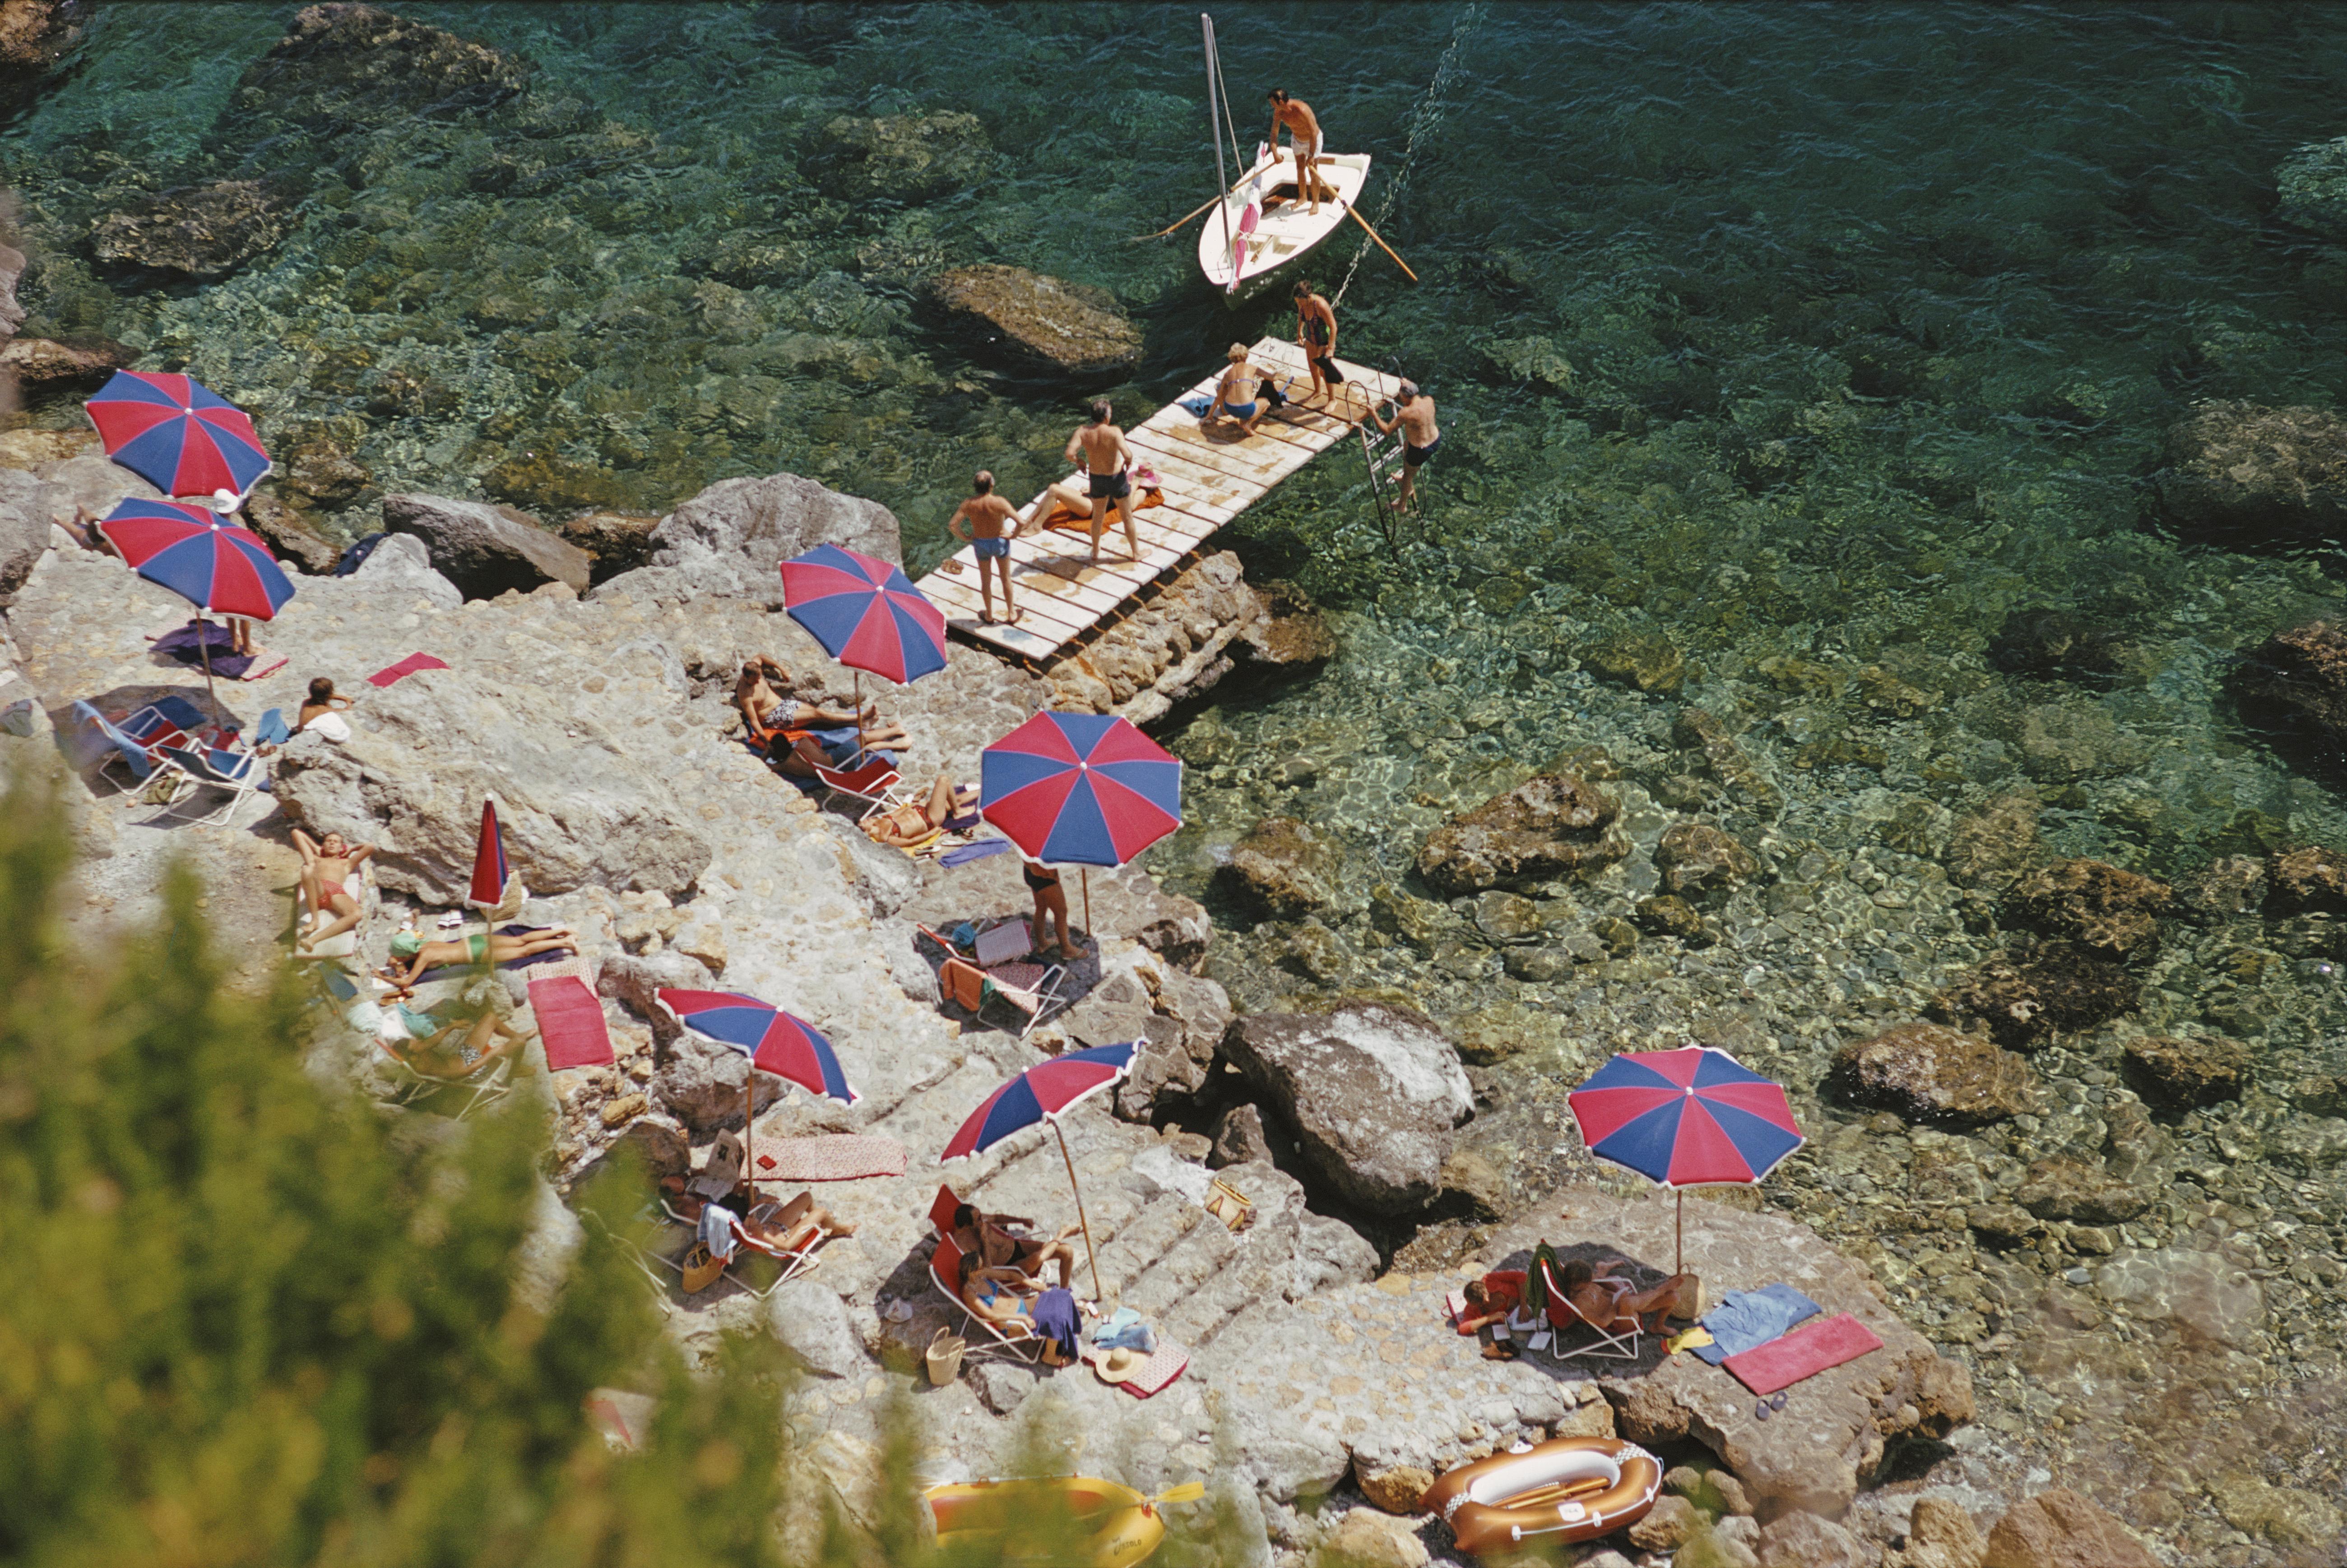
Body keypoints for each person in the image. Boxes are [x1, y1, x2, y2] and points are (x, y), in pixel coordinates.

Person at [378, 925, 579, 992]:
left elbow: (406, 983)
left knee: (523, 953)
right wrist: (396, 963)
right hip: (473, 942)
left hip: (476, 955)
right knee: (519, 940)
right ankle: (562, 931)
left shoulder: (424, 956)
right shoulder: (423, 943)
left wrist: (383, 977)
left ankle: (565, 943)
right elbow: (397, 961)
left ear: (406, 955)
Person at [957, 1250, 1073, 1364]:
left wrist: (1034, 1285)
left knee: (1057, 1297)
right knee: (1055, 1317)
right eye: (981, 1267)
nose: (984, 1269)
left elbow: (1009, 1275)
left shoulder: (981, 1275)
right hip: (1011, 1323)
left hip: (1021, 1305)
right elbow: (991, 1316)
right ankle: (1049, 1356)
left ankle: (1056, 1337)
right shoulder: (969, 1294)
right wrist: (1022, 1318)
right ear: (972, 1272)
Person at [1065, 401, 1140, 567]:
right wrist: (1128, 463)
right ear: (1107, 417)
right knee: (1127, 516)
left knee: (1098, 517)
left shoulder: (1083, 432)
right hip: (1116, 478)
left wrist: (1079, 461)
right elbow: (1127, 454)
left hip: (1097, 479)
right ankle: (1136, 553)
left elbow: (1070, 453)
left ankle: (1096, 551)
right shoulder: (1114, 431)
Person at [946, 470, 1023, 626]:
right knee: (1006, 578)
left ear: (975, 486)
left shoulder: (969, 504)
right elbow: (1021, 522)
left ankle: (989, 615)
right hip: (1000, 541)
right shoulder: (1000, 502)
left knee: (986, 580)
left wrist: (966, 537)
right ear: (992, 485)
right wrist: (1013, 535)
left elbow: (953, 525)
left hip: (981, 543)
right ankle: (1011, 613)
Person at [383, 1005, 535, 1081]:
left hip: (464, 1057)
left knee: (490, 1017)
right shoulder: (423, 1066)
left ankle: (517, 1036)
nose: (417, 1040)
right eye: (414, 1042)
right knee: (519, 1043)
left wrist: (452, 1026)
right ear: (413, 1053)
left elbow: (433, 1041)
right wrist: (492, 1054)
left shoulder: (418, 1051)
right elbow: (463, 1073)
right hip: (472, 1070)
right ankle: (513, 1070)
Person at [954, 1201, 1081, 1292]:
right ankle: (1061, 1235)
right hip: (1012, 1266)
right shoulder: (964, 1246)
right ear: (967, 1226)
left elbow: (998, 1218)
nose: (983, 1220)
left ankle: (1065, 1292)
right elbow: (987, 1272)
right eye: (978, 1219)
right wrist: (985, 1242)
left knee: (1067, 1251)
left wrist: (1022, 1220)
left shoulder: (979, 1220)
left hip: (1018, 1246)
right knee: (1038, 1258)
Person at [733, 657, 866, 742]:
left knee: (816, 711)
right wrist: (765, 740)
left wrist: (782, 669)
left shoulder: (753, 668)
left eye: (759, 678)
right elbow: (754, 721)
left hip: (783, 705)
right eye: (754, 680)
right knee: (818, 714)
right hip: (773, 716)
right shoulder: (745, 694)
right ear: (745, 677)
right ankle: (859, 718)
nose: (757, 682)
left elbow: (760, 656)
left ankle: (854, 723)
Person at [1557, 1255, 1692, 1334]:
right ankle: (1661, 1289)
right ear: (1574, 1285)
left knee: (1674, 1297)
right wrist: (1618, 1303)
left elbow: (1602, 1286)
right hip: (1620, 1321)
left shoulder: (1585, 1283)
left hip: (1625, 1303)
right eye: (1587, 1282)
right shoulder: (1579, 1304)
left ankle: (1658, 1326)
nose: (1590, 1282)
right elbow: (1603, 1322)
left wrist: (1616, 1291)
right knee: (1628, 1303)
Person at [293, 829, 376, 950]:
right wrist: (316, 848)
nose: (332, 843)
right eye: (329, 841)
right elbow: (296, 833)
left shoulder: (347, 863)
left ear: (342, 847)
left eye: (336, 842)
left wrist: (352, 849)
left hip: (337, 893)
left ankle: (312, 940)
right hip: (318, 889)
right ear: (324, 845)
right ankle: (315, 920)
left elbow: (370, 846)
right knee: (307, 870)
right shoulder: (316, 859)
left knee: (357, 914)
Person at [1370, 380, 1440, 511]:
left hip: (1421, 449)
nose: (1400, 399)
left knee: (1409, 476)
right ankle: (1405, 480)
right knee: (1407, 445)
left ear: (1405, 397)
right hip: (1435, 440)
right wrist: (1407, 383)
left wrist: (1374, 414)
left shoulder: (1406, 412)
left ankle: (1402, 505)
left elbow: (1387, 431)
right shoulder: (1429, 400)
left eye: (1401, 396)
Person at [861, 774, 979, 848]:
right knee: (943, 781)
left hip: (920, 808)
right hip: (930, 819)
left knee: (957, 799)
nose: (866, 819)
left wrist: (915, 802)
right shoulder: (887, 839)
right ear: (864, 832)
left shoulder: (882, 819)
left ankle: (987, 791)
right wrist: (933, 833)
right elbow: (910, 842)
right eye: (863, 823)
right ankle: (958, 812)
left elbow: (902, 811)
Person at [1265, 89, 1327, 213]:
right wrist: (1275, 154)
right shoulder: (1279, 113)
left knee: (1313, 171)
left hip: (1312, 140)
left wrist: (1311, 155)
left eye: (1273, 103)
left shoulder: (1302, 110)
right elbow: (1274, 135)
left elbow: (1313, 133)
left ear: (1281, 102)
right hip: (1297, 140)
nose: (1272, 106)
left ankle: (1315, 203)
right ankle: (1303, 197)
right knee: (1300, 168)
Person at [1456, 1268, 1532, 1361]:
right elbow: (1462, 1329)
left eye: (1487, 1296)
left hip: (1529, 1293)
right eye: (1483, 1304)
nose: (1488, 1301)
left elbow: (1522, 1276)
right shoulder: (1472, 1309)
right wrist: (1489, 1318)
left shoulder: (1490, 1279)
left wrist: (1523, 1305)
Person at [1294, 280, 1342, 409]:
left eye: (1300, 301)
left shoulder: (1321, 305)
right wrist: (1299, 332)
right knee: (1312, 367)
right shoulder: (1302, 303)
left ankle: (1333, 400)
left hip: (1324, 341)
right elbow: (1300, 316)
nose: (1299, 304)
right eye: (1297, 302)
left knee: (1324, 370)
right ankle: (1318, 391)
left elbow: (1334, 327)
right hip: (1311, 338)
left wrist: (1330, 348)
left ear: (1308, 297)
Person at [1023, 859, 1078, 962]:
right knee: (1061, 913)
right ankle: (1067, 949)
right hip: (1044, 875)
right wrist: (1054, 876)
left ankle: (1043, 943)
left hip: (1029, 871)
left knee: (1041, 908)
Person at [1211, 342, 1270, 437]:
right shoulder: (1252, 368)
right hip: (1246, 409)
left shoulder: (1227, 374)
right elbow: (1271, 377)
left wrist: (1209, 415)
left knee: (1220, 387)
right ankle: (1248, 423)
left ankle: (1225, 412)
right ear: (1246, 356)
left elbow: (1218, 398)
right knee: (1266, 402)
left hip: (1229, 408)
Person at [297, 677, 354, 742]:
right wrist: (349, 705)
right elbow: (346, 710)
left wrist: (344, 698)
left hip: (299, 732)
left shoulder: (306, 702)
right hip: (307, 738)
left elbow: (322, 695)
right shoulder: (326, 710)